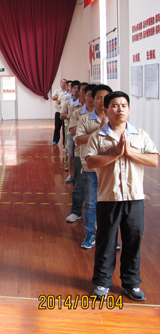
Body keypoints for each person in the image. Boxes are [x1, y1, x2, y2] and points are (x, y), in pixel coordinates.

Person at [86, 91, 158, 301]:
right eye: (115, 106)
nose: (120, 109)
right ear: (106, 110)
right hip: (109, 198)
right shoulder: (97, 137)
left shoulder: (139, 135)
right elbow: (90, 163)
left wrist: (129, 153)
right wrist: (115, 154)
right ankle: (102, 282)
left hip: (134, 198)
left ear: (129, 109)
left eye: (124, 105)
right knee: (106, 241)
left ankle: (131, 283)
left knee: (133, 241)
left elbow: (154, 160)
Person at [75, 84, 112, 248]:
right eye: (98, 97)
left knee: (110, 203)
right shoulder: (85, 119)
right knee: (90, 203)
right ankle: (90, 234)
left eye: (106, 98)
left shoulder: (115, 120)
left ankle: (109, 236)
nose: (102, 101)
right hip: (90, 167)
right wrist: (101, 130)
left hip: (110, 168)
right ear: (93, 99)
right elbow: (79, 139)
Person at [60, 80, 81, 183]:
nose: (76, 90)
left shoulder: (84, 105)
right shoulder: (69, 103)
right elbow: (61, 115)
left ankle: (79, 174)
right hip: (70, 129)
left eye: (78, 88)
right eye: (74, 88)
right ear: (71, 89)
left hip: (81, 132)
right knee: (70, 153)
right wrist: (70, 117)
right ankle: (70, 174)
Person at [52, 79, 67, 145]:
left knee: (64, 128)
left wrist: (61, 98)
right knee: (57, 127)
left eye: (65, 83)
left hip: (64, 112)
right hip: (58, 111)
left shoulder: (68, 92)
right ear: (60, 83)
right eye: (62, 82)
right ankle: (55, 140)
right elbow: (53, 98)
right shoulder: (57, 91)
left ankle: (64, 142)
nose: (63, 84)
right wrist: (61, 96)